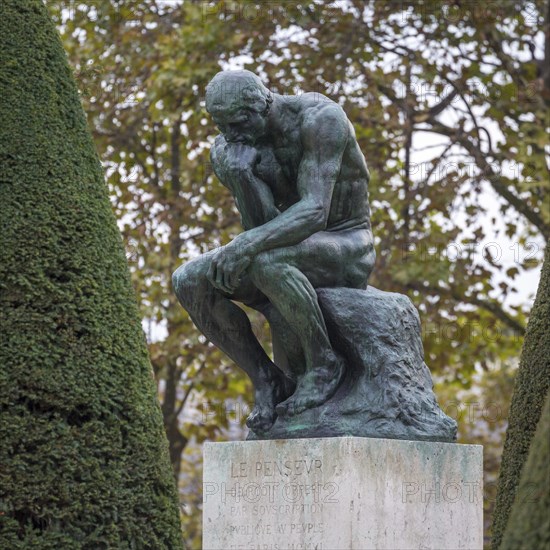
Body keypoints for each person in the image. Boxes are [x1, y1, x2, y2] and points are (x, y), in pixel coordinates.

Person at [173, 70, 375, 433]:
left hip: (347, 243)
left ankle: (325, 364)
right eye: (220, 126)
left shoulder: (320, 120)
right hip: (289, 250)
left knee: (267, 259)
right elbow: (262, 224)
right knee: (188, 279)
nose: (228, 135)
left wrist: (245, 245)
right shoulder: (229, 150)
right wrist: (242, 179)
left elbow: (315, 211)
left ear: (261, 105)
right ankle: (267, 379)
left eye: (235, 124)